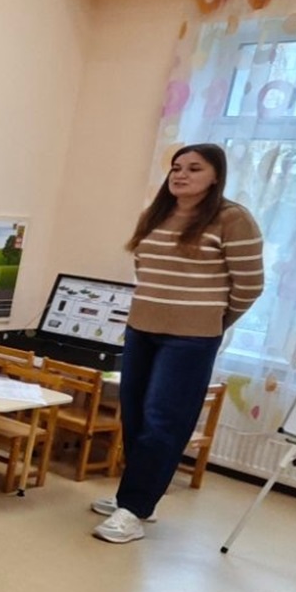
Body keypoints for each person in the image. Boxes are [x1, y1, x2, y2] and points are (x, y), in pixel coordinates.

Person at [93, 142, 264, 544]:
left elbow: (250, 285)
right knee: (135, 415)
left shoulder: (233, 219)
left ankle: (134, 508)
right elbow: (146, 269)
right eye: (176, 167)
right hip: (142, 327)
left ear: (216, 176)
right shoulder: (156, 214)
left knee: (163, 421)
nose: (181, 174)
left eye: (194, 168)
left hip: (191, 338)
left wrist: (212, 321)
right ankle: (137, 497)